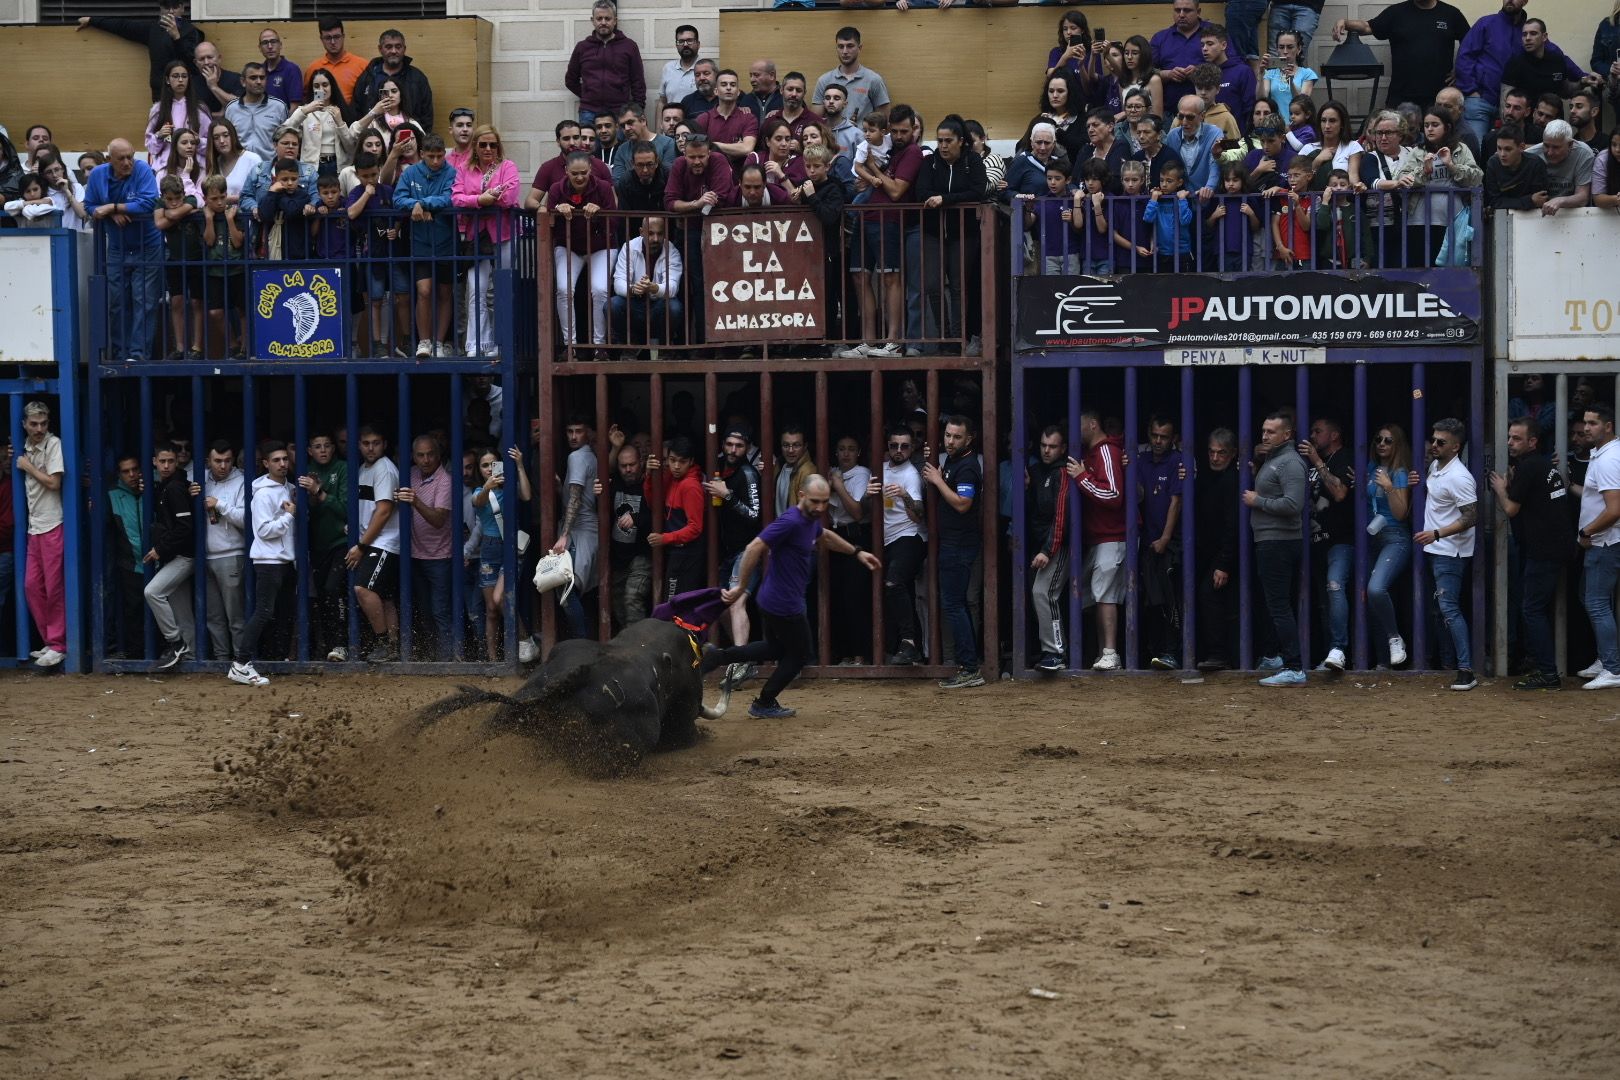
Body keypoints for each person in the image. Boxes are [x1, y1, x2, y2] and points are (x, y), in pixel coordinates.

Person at [707, 476, 880, 719]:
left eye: (823, 502)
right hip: (783, 604)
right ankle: (764, 702)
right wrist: (740, 587)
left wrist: (857, 552)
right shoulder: (791, 521)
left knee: (776, 648)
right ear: (801, 496)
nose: (820, 507)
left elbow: (825, 536)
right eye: (814, 501)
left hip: (773, 600)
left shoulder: (810, 520)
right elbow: (754, 547)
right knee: (799, 654)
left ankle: (718, 656)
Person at [1488, 417, 1570, 690]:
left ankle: (1548, 673)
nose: (1510, 443)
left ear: (1533, 441)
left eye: (1517, 439)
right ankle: (1538, 662)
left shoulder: (1530, 467)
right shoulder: (1542, 465)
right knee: (1537, 607)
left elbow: (1511, 509)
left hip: (1544, 550)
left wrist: (1500, 490)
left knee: (1531, 609)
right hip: (1555, 546)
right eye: (1509, 437)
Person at [86, 141, 164, 364]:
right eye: (121, 159)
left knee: (144, 301)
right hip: (118, 248)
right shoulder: (98, 175)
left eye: (130, 156)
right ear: (109, 159)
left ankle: (138, 355)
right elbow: (90, 205)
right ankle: (120, 353)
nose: (127, 162)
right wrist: (110, 213)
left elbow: (150, 203)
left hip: (148, 245)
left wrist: (114, 207)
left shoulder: (142, 170)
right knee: (117, 302)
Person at [1414, 418, 1478, 689]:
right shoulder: (1436, 467)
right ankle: (1450, 663)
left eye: (1441, 442)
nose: (1434, 445)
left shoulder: (1460, 476)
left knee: (1449, 609)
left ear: (1456, 446)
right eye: (1434, 439)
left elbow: (1471, 516)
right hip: (1436, 549)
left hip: (1450, 553)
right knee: (1440, 610)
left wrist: (1438, 533)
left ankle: (1466, 669)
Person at [1244, 412, 1308, 685]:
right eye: (1263, 430)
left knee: (1280, 606)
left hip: (1279, 542)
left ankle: (1294, 667)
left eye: (1271, 432)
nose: (1265, 436)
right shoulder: (1273, 460)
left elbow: (1294, 505)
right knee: (1275, 603)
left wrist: (1258, 501)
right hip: (1270, 541)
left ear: (1287, 435)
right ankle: (1275, 658)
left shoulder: (1290, 463)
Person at [227, 441, 296, 687]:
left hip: (284, 560)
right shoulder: (264, 493)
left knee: (282, 612)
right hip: (268, 561)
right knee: (264, 612)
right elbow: (264, 530)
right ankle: (240, 664)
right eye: (276, 460)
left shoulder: (288, 488)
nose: (282, 464)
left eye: (285, 459)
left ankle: (277, 659)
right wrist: (289, 515)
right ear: (266, 464)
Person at [924, 416, 984, 689]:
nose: (950, 441)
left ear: (969, 439)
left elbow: (962, 504)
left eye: (957, 437)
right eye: (948, 435)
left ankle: (970, 668)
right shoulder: (953, 460)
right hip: (951, 542)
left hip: (959, 545)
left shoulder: (969, 466)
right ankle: (968, 666)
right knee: (955, 604)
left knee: (954, 604)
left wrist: (937, 479)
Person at [452, 125, 521, 358]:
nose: (488, 148)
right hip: (475, 237)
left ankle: (502, 343)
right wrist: (481, 199)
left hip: (503, 234)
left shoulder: (507, 166)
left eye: (492, 144)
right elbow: (457, 199)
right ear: (475, 147)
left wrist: (483, 199)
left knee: (502, 288)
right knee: (476, 290)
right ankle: (476, 344)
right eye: (483, 144)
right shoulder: (464, 169)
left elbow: (510, 196)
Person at [1065, 410, 1126, 671]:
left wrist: (1081, 478)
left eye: (1077, 426)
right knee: (1095, 595)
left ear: (1092, 424)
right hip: (1098, 537)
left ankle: (1111, 653)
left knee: (1106, 595)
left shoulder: (1105, 451)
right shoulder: (1092, 454)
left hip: (1113, 535)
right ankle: (1104, 653)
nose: (1073, 432)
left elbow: (1113, 494)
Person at [1333, 1, 1470, 114]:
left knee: (1436, 141)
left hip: (1438, 97)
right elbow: (1368, 27)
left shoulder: (1451, 14)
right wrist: (1344, 22)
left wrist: (1460, 69)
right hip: (1402, 95)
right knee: (1396, 138)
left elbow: (1471, 42)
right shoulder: (1396, 13)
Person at [396, 133, 458, 357]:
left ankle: (439, 342)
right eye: (431, 156)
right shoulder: (410, 173)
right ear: (421, 154)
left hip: (445, 241)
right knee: (424, 291)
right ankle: (424, 342)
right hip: (420, 241)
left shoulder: (451, 172)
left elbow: (451, 197)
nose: (435, 161)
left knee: (444, 292)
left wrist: (423, 204)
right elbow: (398, 198)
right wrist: (414, 205)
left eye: (439, 156)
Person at [1301, 417, 1355, 672]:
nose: (1312, 435)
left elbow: (1340, 493)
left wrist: (1316, 460)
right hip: (1314, 542)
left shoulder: (1344, 457)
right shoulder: (1309, 462)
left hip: (1340, 540)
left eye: (1317, 431)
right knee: (1322, 601)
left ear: (1334, 435)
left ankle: (1340, 649)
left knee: (1335, 587)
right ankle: (1328, 657)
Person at [549, 151, 618, 350]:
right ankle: (570, 345)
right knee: (563, 289)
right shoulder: (556, 189)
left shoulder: (603, 188)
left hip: (601, 246)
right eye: (574, 173)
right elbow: (549, 224)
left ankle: (600, 346)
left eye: (584, 173)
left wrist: (599, 213)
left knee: (600, 289)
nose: (579, 177)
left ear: (591, 170)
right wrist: (557, 211)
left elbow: (614, 223)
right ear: (566, 172)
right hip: (569, 246)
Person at [704, 426, 764, 653]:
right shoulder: (718, 469)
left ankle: (740, 661)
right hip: (726, 552)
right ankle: (741, 655)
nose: (733, 450)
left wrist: (727, 496)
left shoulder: (748, 474)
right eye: (729, 444)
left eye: (738, 446)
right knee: (720, 606)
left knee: (737, 602)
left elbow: (754, 515)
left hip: (747, 550)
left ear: (747, 448)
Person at [16, 402, 67, 668]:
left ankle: (58, 644)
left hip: (52, 523)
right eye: (33, 424)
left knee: (54, 587)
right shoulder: (23, 446)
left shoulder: (53, 443)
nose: (39, 429)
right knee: (31, 586)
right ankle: (50, 640)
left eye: (43, 424)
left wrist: (27, 467)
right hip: (34, 526)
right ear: (24, 423)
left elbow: (54, 482)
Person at [396, 435, 455, 661]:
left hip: (439, 556)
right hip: (414, 554)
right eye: (420, 455)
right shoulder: (409, 474)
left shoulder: (445, 481)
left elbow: (439, 519)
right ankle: (431, 658)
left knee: (440, 611)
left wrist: (415, 501)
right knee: (424, 612)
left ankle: (447, 660)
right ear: (413, 456)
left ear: (439, 455)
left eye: (430, 454)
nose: (426, 459)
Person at [471, 446, 533, 662]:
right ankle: (492, 659)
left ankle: (526, 641)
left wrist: (519, 465)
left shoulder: (509, 488)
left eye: (493, 464)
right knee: (491, 608)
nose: (489, 469)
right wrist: (488, 486)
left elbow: (526, 495)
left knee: (499, 599)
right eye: (484, 465)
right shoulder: (478, 491)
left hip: (510, 547)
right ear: (479, 469)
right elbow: (478, 503)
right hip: (488, 549)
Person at [346, 425, 401, 663]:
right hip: (375, 540)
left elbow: (384, 511)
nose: (370, 447)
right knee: (384, 596)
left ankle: (383, 644)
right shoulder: (363, 469)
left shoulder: (384, 469)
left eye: (376, 442)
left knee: (363, 589)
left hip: (383, 541)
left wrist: (361, 545)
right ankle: (393, 646)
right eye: (366, 443)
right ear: (358, 445)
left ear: (385, 444)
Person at [77, 0, 203, 103]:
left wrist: (176, 37)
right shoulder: (153, 29)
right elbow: (123, 27)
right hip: (161, 90)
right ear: (160, 8)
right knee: (164, 130)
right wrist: (92, 20)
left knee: (184, 130)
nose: (170, 11)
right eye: (166, 6)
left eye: (174, 6)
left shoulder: (191, 31)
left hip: (185, 90)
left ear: (182, 8)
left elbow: (192, 64)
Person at [190, 439, 246, 663]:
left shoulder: (241, 480)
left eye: (227, 461)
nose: (223, 466)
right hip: (205, 556)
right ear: (208, 461)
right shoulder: (199, 480)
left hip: (231, 554)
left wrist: (220, 504)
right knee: (213, 616)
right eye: (217, 461)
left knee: (236, 616)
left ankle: (241, 660)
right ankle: (222, 660)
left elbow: (245, 519)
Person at [142, 440, 197, 672]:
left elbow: (185, 527)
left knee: (152, 592)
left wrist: (160, 549)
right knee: (181, 609)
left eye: (170, 462)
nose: (166, 465)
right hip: (177, 556)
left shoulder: (174, 488)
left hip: (183, 556)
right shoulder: (166, 486)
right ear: (154, 462)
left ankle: (175, 643)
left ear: (177, 462)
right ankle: (191, 656)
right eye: (162, 461)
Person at [1577, 405, 1620, 690]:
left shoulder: (1608, 459)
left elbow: (1614, 508)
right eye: (1585, 423)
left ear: (1608, 425)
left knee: (1596, 602)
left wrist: (1586, 531)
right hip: (1603, 541)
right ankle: (1606, 660)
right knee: (1588, 597)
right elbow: (1596, 495)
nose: (1586, 428)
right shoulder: (1604, 455)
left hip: (1604, 542)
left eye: (1593, 423)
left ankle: (1613, 668)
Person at [875, 424, 926, 666]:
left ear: (912, 448)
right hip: (885, 539)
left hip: (909, 536)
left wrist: (905, 495)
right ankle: (905, 646)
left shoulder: (911, 475)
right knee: (894, 592)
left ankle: (909, 643)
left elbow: (918, 515)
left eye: (904, 446)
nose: (898, 450)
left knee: (894, 583)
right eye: (894, 445)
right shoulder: (881, 469)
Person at [298, 431, 350, 662]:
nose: (322, 450)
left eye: (327, 445)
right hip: (315, 546)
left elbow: (345, 510)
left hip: (340, 543)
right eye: (317, 446)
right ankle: (327, 647)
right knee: (319, 597)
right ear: (309, 450)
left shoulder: (342, 468)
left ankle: (341, 645)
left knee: (332, 590)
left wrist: (319, 493)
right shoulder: (305, 470)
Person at [1139, 415, 1186, 671]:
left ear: (1174, 438)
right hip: (1146, 542)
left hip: (1170, 543)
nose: (1158, 441)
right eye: (1155, 435)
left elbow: (1175, 502)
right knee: (1150, 600)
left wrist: (1166, 538)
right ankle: (1155, 651)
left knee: (1170, 599)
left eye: (1164, 436)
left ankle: (1172, 652)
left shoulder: (1177, 461)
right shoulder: (1142, 461)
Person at [1193, 428, 1240, 671]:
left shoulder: (1232, 480)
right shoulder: (1208, 477)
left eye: (1221, 453)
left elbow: (1234, 526)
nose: (1215, 457)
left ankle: (1221, 655)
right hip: (1210, 552)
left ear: (1232, 454)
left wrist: (1224, 563)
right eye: (1211, 452)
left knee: (1210, 596)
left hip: (1226, 555)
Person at [1455, 0, 1532, 146]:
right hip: (1480, 101)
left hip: (1511, 107)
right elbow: (1465, 55)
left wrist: (1580, 75)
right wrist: (1471, 90)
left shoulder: (1527, 31)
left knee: (1508, 153)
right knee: (1475, 149)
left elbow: (1547, 50)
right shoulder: (1486, 23)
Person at [1026, 427, 1072, 672]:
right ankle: (1050, 651)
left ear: (1062, 448)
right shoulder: (1039, 472)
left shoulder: (1062, 473)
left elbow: (1061, 516)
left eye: (1052, 446)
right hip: (1042, 546)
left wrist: (1047, 549)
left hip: (1058, 546)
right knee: (1039, 594)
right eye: (1043, 445)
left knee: (1045, 593)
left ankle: (1056, 652)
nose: (1046, 450)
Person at [827, 435, 873, 665]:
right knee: (837, 598)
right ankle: (843, 652)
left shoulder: (862, 474)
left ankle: (860, 654)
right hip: (834, 537)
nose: (846, 454)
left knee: (855, 598)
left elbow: (857, 512)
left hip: (856, 537)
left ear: (859, 453)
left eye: (851, 449)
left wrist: (837, 485)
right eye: (841, 449)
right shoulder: (833, 472)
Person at [567, 1, 646, 124]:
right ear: (593, 20)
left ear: (615, 20)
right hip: (589, 111)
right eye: (599, 18)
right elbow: (570, 80)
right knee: (589, 144)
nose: (603, 22)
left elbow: (638, 81)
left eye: (607, 18)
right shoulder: (582, 47)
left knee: (620, 144)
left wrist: (638, 109)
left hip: (620, 111)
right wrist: (588, 94)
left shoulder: (629, 46)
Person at [611, 214, 683, 347]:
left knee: (674, 307)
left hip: (658, 305)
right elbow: (618, 282)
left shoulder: (671, 251)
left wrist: (654, 288)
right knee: (612, 305)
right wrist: (633, 289)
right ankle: (630, 345)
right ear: (641, 232)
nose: (655, 239)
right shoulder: (629, 247)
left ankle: (663, 346)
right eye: (650, 233)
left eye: (660, 234)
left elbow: (673, 287)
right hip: (634, 303)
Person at [649, 436, 706, 600]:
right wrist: (649, 474)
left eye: (682, 462)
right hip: (678, 551)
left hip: (687, 553)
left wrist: (665, 538)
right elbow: (653, 501)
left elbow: (695, 528)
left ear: (691, 462)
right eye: (672, 460)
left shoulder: (690, 486)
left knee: (674, 603)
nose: (676, 466)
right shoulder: (672, 478)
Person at [353, 28, 435, 128]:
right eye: (388, 47)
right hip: (374, 139)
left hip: (409, 137)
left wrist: (419, 140)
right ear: (380, 49)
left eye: (398, 47)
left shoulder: (417, 78)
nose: (393, 51)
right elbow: (356, 110)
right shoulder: (368, 77)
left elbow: (427, 115)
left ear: (404, 49)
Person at [1503, 17, 1595, 103]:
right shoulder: (1515, 63)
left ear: (1544, 37)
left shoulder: (1557, 60)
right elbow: (1506, 102)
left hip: (1553, 118)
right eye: (1524, 34)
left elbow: (1565, 91)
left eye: (1533, 33)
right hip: (1526, 118)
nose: (1527, 38)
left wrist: (1583, 82)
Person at [283, 70, 358, 175]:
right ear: (312, 89)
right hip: (311, 166)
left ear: (332, 87)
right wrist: (305, 110)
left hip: (336, 165)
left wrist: (340, 123)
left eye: (325, 85)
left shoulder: (340, 110)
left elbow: (350, 147)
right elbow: (284, 130)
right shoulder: (305, 111)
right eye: (316, 86)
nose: (321, 89)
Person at [525, 120, 612, 209]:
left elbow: (613, 202)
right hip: (561, 221)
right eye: (566, 139)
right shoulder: (548, 167)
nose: (572, 143)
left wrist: (598, 209)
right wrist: (544, 208)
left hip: (594, 221)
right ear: (558, 141)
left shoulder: (599, 165)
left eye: (576, 137)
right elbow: (530, 201)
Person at [814, 26, 891, 123]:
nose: (845, 51)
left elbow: (884, 121)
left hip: (862, 137)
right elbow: (816, 121)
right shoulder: (824, 80)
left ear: (859, 48)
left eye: (850, 46)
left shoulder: (873, 80)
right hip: (832, 137)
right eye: (841, 46)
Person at [145, 60, 212, 172]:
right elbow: (151, 148)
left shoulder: (200, 109)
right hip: (166, 167)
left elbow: (211, 144)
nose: (180, 80)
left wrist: (198, 141)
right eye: (175, 76)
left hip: (196, 168)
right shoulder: (158, 109)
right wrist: (159, 136)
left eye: (184, 76)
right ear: (167, 80)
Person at [1152, 0, 1215, 111]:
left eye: (1187, 10)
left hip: (1208, 110)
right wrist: (1166, 74)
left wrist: (1200, 72)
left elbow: (1228, 65)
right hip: (1170, 112)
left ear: (1198, 11)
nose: (1181, 15)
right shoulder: (1160, 38)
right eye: (1177, 10)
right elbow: (1144, 71)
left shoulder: (1213, 33)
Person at [1528, 120, 1595, 214]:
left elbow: (1583, 197)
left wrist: (1560, 201)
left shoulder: (1583, 153)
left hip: (1574, 215)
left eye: (1556, 147)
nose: (1550, 152)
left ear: (1570, 145)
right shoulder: (1531, 155)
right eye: (1546, 145)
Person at [224, 63, 288, 162]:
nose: (259, 82)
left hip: (269, 167)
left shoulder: (278, 107)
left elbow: (286, 139)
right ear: (243, 81)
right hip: (240, 166)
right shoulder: (232, 108)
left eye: (262, 78)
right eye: (253, 78)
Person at [1199, 24, 1256, 130]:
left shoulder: (1243, 71)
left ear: (1223, 45)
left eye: (1210, 44)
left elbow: (1250, 108)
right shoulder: (1202, 72)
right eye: (1202, 45)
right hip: (1207, 137)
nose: (1205, 49)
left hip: (1237, 136)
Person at [1165, 96, 1223, 196]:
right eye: (1181, 116)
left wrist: (1209, 188)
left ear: (1202, 116)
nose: (1184, 122)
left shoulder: (1214, 133)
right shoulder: (1172, 136)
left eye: (1190, 117)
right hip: (1181, 201)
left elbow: (1215, 164)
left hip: (1210, 199)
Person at [304, 17, 369, 104]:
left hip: (353, 116)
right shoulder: (313, 68)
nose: (333, 42)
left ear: (343, 37)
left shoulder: (362, 65)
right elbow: (308, 98)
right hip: (322, 114)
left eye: (337, 37)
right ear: (321, 39)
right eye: (328, 38)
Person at [612, 106, 676, 185]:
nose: (626, 128)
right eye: (622, 126)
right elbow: (618, 182)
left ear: (643, 120)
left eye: (630, 123)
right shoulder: (622, 149)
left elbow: (669, 178)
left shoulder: (667, 143)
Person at [255, 28, 302, 108]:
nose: (270, 46)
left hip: (285, 120)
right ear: (260, 48)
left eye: (273, 42)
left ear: (280, 45)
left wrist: (286, 121)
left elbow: (295, 106)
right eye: (265, 43)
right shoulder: (258, 71)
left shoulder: (291, 70)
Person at [192, 41, 244, 112]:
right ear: (196, 63)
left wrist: (214, 87)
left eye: (210, 57)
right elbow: (191, 112)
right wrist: (215, 116)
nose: (206, 62)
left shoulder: (236, 79)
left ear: (219, 58)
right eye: (202, 59)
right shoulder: (192, 84)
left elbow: (241, 107)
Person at [661, 25, 702, 110]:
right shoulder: (668, 68)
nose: (685, 45)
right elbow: (662, 102)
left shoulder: (706, 69)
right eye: (681, 41)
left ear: (698, 44)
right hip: (672, 122)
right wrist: (659, 124)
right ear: (676, 45)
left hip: (697, 122)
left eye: (690, 41)